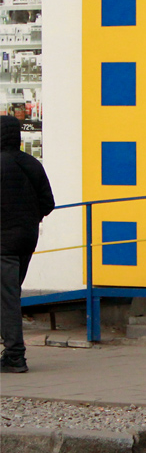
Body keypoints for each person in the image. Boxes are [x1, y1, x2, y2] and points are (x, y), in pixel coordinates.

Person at [1, 114, 54, 373]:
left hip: (3, 245)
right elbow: (48, 204)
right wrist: (29, 219)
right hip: (25, 241)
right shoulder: (31, 163)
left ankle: (15, 356)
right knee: (7, 294)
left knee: (7, 299)